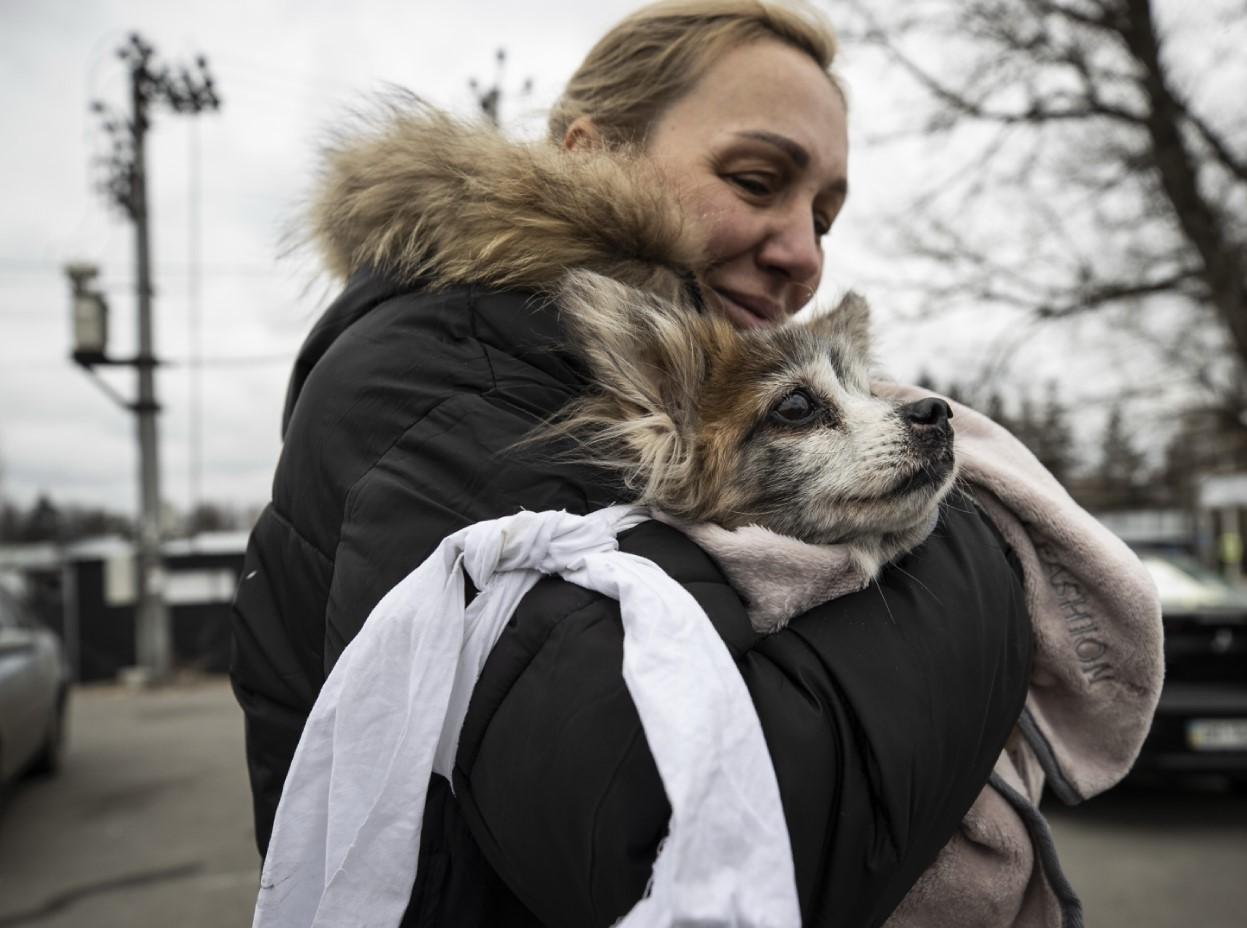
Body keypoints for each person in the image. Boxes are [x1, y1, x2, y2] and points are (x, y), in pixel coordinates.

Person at [230, 2, 1033, 926]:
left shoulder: (544, 365)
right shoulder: (452, 384)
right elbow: (695, 845)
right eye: (754, 178)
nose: (802, 254)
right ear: (590, 154)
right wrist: (985, 553)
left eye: (821, 215)